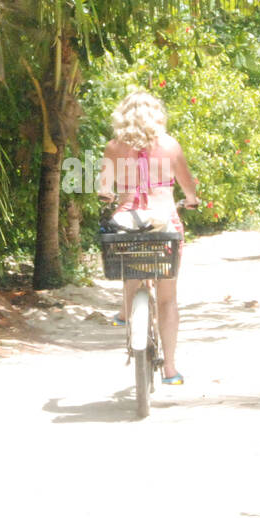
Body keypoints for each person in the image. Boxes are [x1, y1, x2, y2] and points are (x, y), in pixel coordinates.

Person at [96, 90, 199, 385]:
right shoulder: (170, 145)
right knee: (167, 299)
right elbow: (187, 186)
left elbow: (104, 188)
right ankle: (170, 369)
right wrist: (191, 199)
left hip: (128, 224)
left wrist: (108, 193)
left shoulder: (114, 147)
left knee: (132, 266)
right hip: (164, 224)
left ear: (123, 116)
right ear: (157, 115)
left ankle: (127, 311)